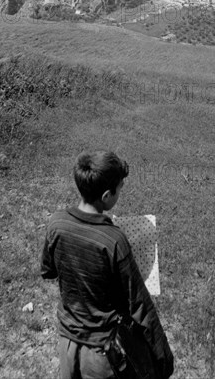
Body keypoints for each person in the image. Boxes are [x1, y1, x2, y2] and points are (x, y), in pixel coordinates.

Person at [41, 151, 174, 379]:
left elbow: (48, 270)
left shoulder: (56, 223)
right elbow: (139, 304)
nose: (121, 192)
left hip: (67, 344)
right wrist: (163, 357)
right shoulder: (114, 241)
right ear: (106, 195)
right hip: (101, 355)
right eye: (120, 188)